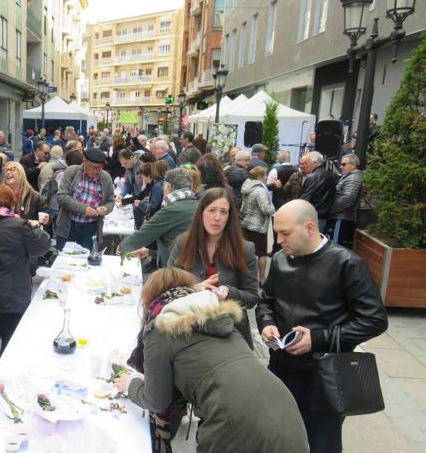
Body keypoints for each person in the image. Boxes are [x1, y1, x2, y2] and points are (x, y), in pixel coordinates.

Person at [115, 267, 309, 453]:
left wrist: (130, 384)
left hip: (235, 418)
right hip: (284, 406)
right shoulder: (219, 317)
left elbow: (157, 400)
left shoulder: (161, 329)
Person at [256, 199, 388, 453]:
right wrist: (267, 323)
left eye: (284, 233)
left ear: (309, 228)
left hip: (325, 374)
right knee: (279, 436)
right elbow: (266, 302)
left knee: (322, 442)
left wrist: (318, 338)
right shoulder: (281, 259)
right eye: (276, 233)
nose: (279, 241)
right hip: (281, 367)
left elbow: (374, 320)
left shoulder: (347, 263)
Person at [0, 186, 50, 376]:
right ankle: (5, 378)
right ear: (12, 204)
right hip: (11, 295)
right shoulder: (18, 226)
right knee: (10, 340)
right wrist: (37, 227)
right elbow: (42, 247)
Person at [168, 187, 259, 349]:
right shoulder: (183, 243)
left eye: (224, 212)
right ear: (201, 213)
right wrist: (194, 288)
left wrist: (228, 292)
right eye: (212, 210)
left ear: (229, 217)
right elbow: (167, 285)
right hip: (188, 331)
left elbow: (252, 298)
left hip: (229, 335)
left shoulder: (245, 249)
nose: (217, 218)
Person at [119, 168, 198, 267]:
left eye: (163, 186)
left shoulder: (172, 209)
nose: (162, 190)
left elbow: (145, 233)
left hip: (174, 272)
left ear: (169, 187)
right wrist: (150, 252)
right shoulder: (197, 205)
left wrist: (122, 248)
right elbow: (174, 241)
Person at [55, 148, 114, 250]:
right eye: (93, 167)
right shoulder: (72, 171)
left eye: (99, 168)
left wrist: (106, 208)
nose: (95, 171)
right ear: (84, 161)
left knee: (86, 261)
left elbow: (111, 201)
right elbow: (62, 196)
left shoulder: (106, 177)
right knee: (63, 259)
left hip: (90, 228)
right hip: (68, 226)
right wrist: (83, 209)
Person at [240, 166, 276, 282]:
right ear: (260, 177)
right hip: (258, 227)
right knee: (262, 253)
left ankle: (243, 277)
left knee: (245, 252)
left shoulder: (248, 186)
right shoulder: (260, 190)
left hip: (246, 224)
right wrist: (273, 208)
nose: (266, 177)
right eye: (265, 175)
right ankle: (262, 279)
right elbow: (266, 209)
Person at [326, 154, 363, 249]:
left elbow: (348, 198)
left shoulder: (353, 178)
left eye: (344, 164)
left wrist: (330, 209)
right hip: (341, 217)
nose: (341, 166)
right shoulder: (349, 177)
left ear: (353, 165)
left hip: (341, 218)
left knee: (336, 248)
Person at [299, 151, 337, 230]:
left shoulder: (312, 177)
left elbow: (304, 200)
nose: (305, 166)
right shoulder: (331, 176)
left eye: (307, 163)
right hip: (325, 217)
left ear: (314, 163)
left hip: (311, 218)